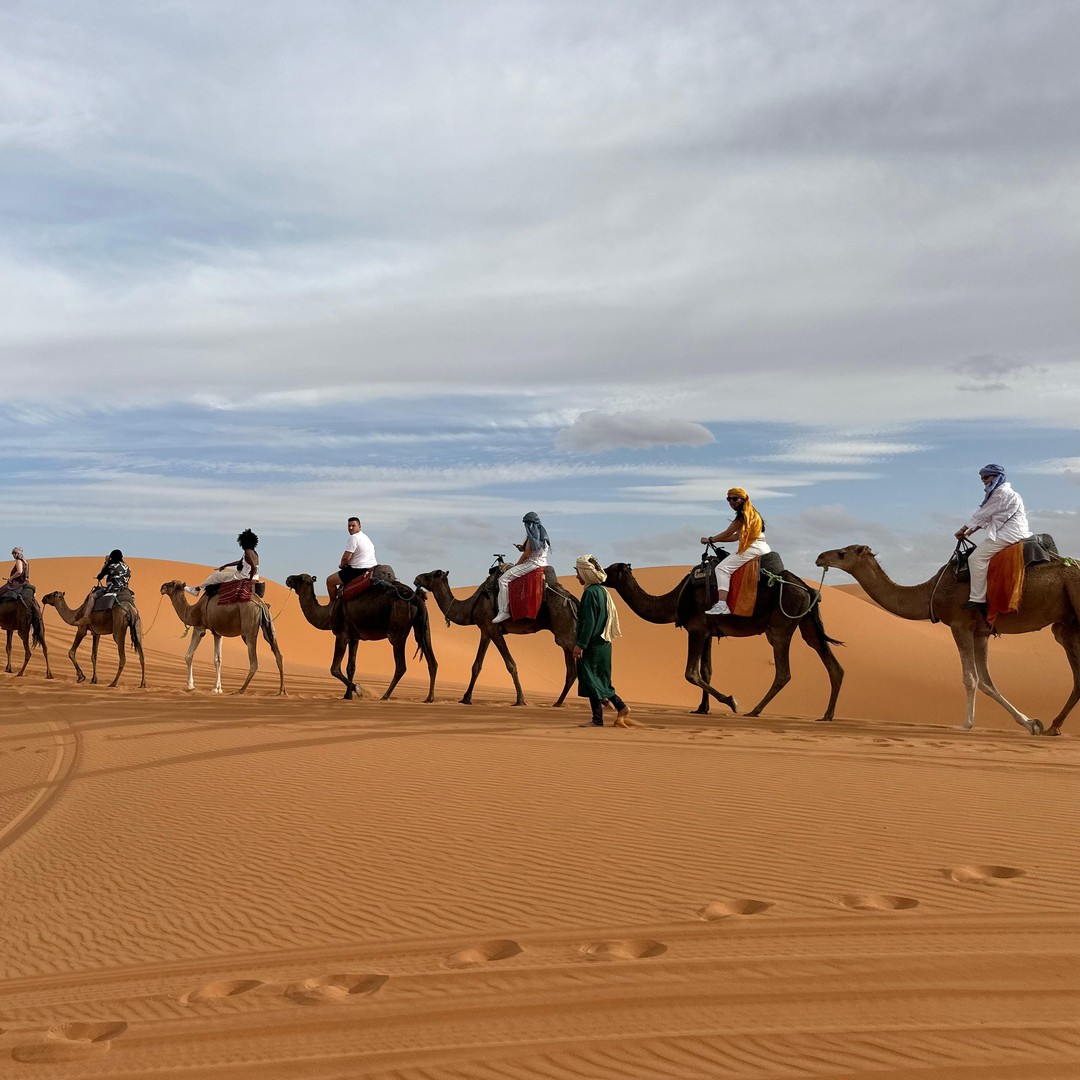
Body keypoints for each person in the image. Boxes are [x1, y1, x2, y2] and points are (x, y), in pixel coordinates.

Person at [954, 464, 1030, 616]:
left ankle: (977, 599)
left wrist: (963, 529)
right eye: (982, 478)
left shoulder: (1001, 493)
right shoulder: (1006, 493)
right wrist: (970, 532)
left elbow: (982, 514)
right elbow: (989, 516)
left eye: (986, 477)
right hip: (1011, 532)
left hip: (1009, 534)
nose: (983, 480)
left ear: (996, 477)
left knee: (976, 558)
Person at [572, 554, 632, 728]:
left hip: (593, 644)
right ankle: (621, 706)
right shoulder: (602, 591)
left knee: (591, 679)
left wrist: (580, 644)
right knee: (601, 680)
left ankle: (597, 720)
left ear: (585, 573)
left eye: (578, 572)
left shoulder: (591, 593)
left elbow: (588, 622)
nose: (577, 576)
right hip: (604, 644)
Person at [701, 487, 771, 616]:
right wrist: (716, 540)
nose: (731, 502)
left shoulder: (743, 515)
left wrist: (711, 539)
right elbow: (735, 537)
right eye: (729, 499)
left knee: (721, 569)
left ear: (743, 499)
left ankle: (722, 604)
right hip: (762, 547)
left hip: (753, 548)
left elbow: (728, 532)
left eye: (734, 499)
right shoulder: (753, 514)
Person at [492, 512, 551, 624]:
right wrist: (523, 548)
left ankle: (504, 611)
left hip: (533, 564)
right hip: (543, 563)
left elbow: (527, 555)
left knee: (503, 579)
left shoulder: (532, 537)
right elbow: (534, 550)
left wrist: (516, 565)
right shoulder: (543, 535)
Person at [187, 530, 260, 595]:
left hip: (242, 576)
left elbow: (253, 567)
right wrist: (226, 565)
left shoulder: (247, 552)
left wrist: (249, 580)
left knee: (215, 576)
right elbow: (240, 562)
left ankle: (196, 590)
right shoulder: (254, 553)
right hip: (255, 577)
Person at [326, 516, 377, 601]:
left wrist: (342, 565)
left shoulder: (354, 538)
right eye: (349, 526)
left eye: (353, 525)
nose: (350, 528)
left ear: (359, 527)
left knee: (330, 581)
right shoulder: (365, 537)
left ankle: (332, 605)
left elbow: (345, 558)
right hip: (371, 569)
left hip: (358, 570)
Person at [80, 549, 132, 619]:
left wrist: (107, 562)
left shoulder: (111, 566)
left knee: (92, 596)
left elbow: (100, 576)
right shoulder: (127, 567)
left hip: (112, 589)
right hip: (125, 590)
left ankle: (85, 617)